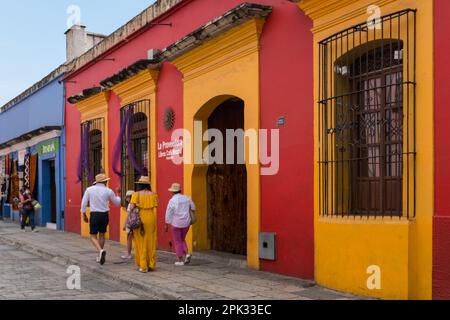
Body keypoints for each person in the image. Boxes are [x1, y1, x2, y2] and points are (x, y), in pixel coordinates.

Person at [81, 173, 121, 265]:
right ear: (105, 181)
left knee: (92, 236)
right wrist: (118, 193)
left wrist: (84, 215)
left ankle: (100, 250)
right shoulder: (109, 191)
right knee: (102, 235)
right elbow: (117, 203)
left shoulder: (89, 190)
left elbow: (83, 204)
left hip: (94, 215)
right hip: (105, 215)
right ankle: (99, 255)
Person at [128, 176, 158, 273]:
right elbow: (155, 205)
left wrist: (127, 220)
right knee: (151, 241)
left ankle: (143, 265)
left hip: (140, 219)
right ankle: (151, 264)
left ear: (139, 185)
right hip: (151, 218)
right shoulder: (154, 194)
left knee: (140, 242)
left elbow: (131, 207)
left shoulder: (136, 195)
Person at [165, 183, 196, 266]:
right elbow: (193, 207)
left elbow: (169, 212)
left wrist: (166, 223)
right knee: (182, 239)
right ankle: (187, 254)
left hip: (176, 223)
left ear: (172, 192)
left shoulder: (172, 200)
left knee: (177, 241)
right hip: (186, 223)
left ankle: (180, 259)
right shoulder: (187, 198)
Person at [121, 190, 135, 260]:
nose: (126, 199)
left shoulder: (130, 204)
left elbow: (128, 215)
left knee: (129, 238)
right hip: (136, 223)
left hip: (130, 223)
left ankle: (128, 254)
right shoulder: (136, 203)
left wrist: (124, 224)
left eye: (127, 197)